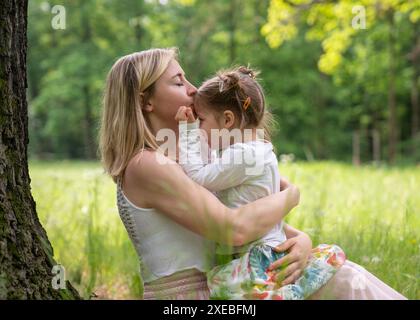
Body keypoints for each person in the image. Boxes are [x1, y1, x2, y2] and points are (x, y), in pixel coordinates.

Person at [99, 47, 407, 300]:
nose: (193, 89)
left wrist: (300, 239)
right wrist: (292, 195)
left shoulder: (197, 155)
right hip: (195, 299)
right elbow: (233, 229)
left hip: (238, 284)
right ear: (144, 100)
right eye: (179, 82)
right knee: (344, 283)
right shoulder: (147, 166)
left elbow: (247, 209)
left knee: (345, 277)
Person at [174, 65, 346, 300]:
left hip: (257, 257)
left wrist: (187, 130)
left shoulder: (244, 155)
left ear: (227, 120)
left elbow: (200, 178)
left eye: (201, 120)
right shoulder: (254, 151)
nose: (199, 127)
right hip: (262, 248)